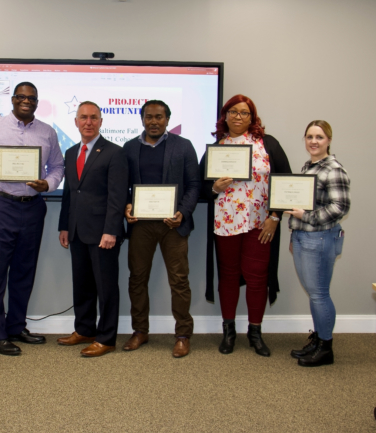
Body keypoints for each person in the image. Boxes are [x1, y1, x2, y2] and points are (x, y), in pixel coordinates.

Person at [0, 82, 65, 356]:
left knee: (25, 271)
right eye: (21, 97)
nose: (26, 101)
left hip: (33, 207)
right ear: (12, 100)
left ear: (37, 102)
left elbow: (58, 166)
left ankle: (15, 326)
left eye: (31, 98)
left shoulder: (48, 132)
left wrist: (48, 183)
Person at [199, 94, 291, 357]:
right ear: (225, 115)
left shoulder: (267, 144)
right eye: (233, 112)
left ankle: (255, 332)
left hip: (260, 224)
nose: (238, 117)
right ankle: (229, 332)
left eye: (245, 113)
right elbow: (200, 186)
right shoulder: (217, 146)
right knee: (227, 276)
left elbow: (285, 182)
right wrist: (214, 187)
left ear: (253, 117)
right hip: (226, 223)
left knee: (257, 277)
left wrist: (275, 217)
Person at [121, 100, 201, 358]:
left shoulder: (183, 146)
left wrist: (183, 212)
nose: (153, 121)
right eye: (148, 117)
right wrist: (127, 206)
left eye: (158, 117)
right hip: (141, 226)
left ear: (167, 119)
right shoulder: (130, 148)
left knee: (179, 281)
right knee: (137, 279)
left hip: (173, 224)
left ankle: (182, 334)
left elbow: (194, 184)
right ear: (141, 119)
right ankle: (140, 331)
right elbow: (122, 186)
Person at [56, 102, 127, 357]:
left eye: (93, 118)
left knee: (106, 288)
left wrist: (111, 231)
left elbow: (117, 197)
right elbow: (69, 194)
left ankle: (106, 337)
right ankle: (85, 329)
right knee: (82, 285)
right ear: (76, 121)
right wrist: (64, 225)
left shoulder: (114, 152)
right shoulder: (71, 151)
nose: (88, 122)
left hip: (102, 234)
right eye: (83, 118)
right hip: (76, 230)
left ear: (100, 121)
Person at [286, 120, 350, 367]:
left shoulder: (333, 169)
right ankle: (318, 340)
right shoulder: (310, 166)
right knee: (314, 294)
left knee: (320, 294)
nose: (314, 141)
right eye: (310, 136)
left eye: (319, 137)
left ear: (329, 140)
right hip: (305, 237)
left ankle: (326, 348)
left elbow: (340, 207)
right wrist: (295, 234)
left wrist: (306, 218)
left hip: (321, 237)